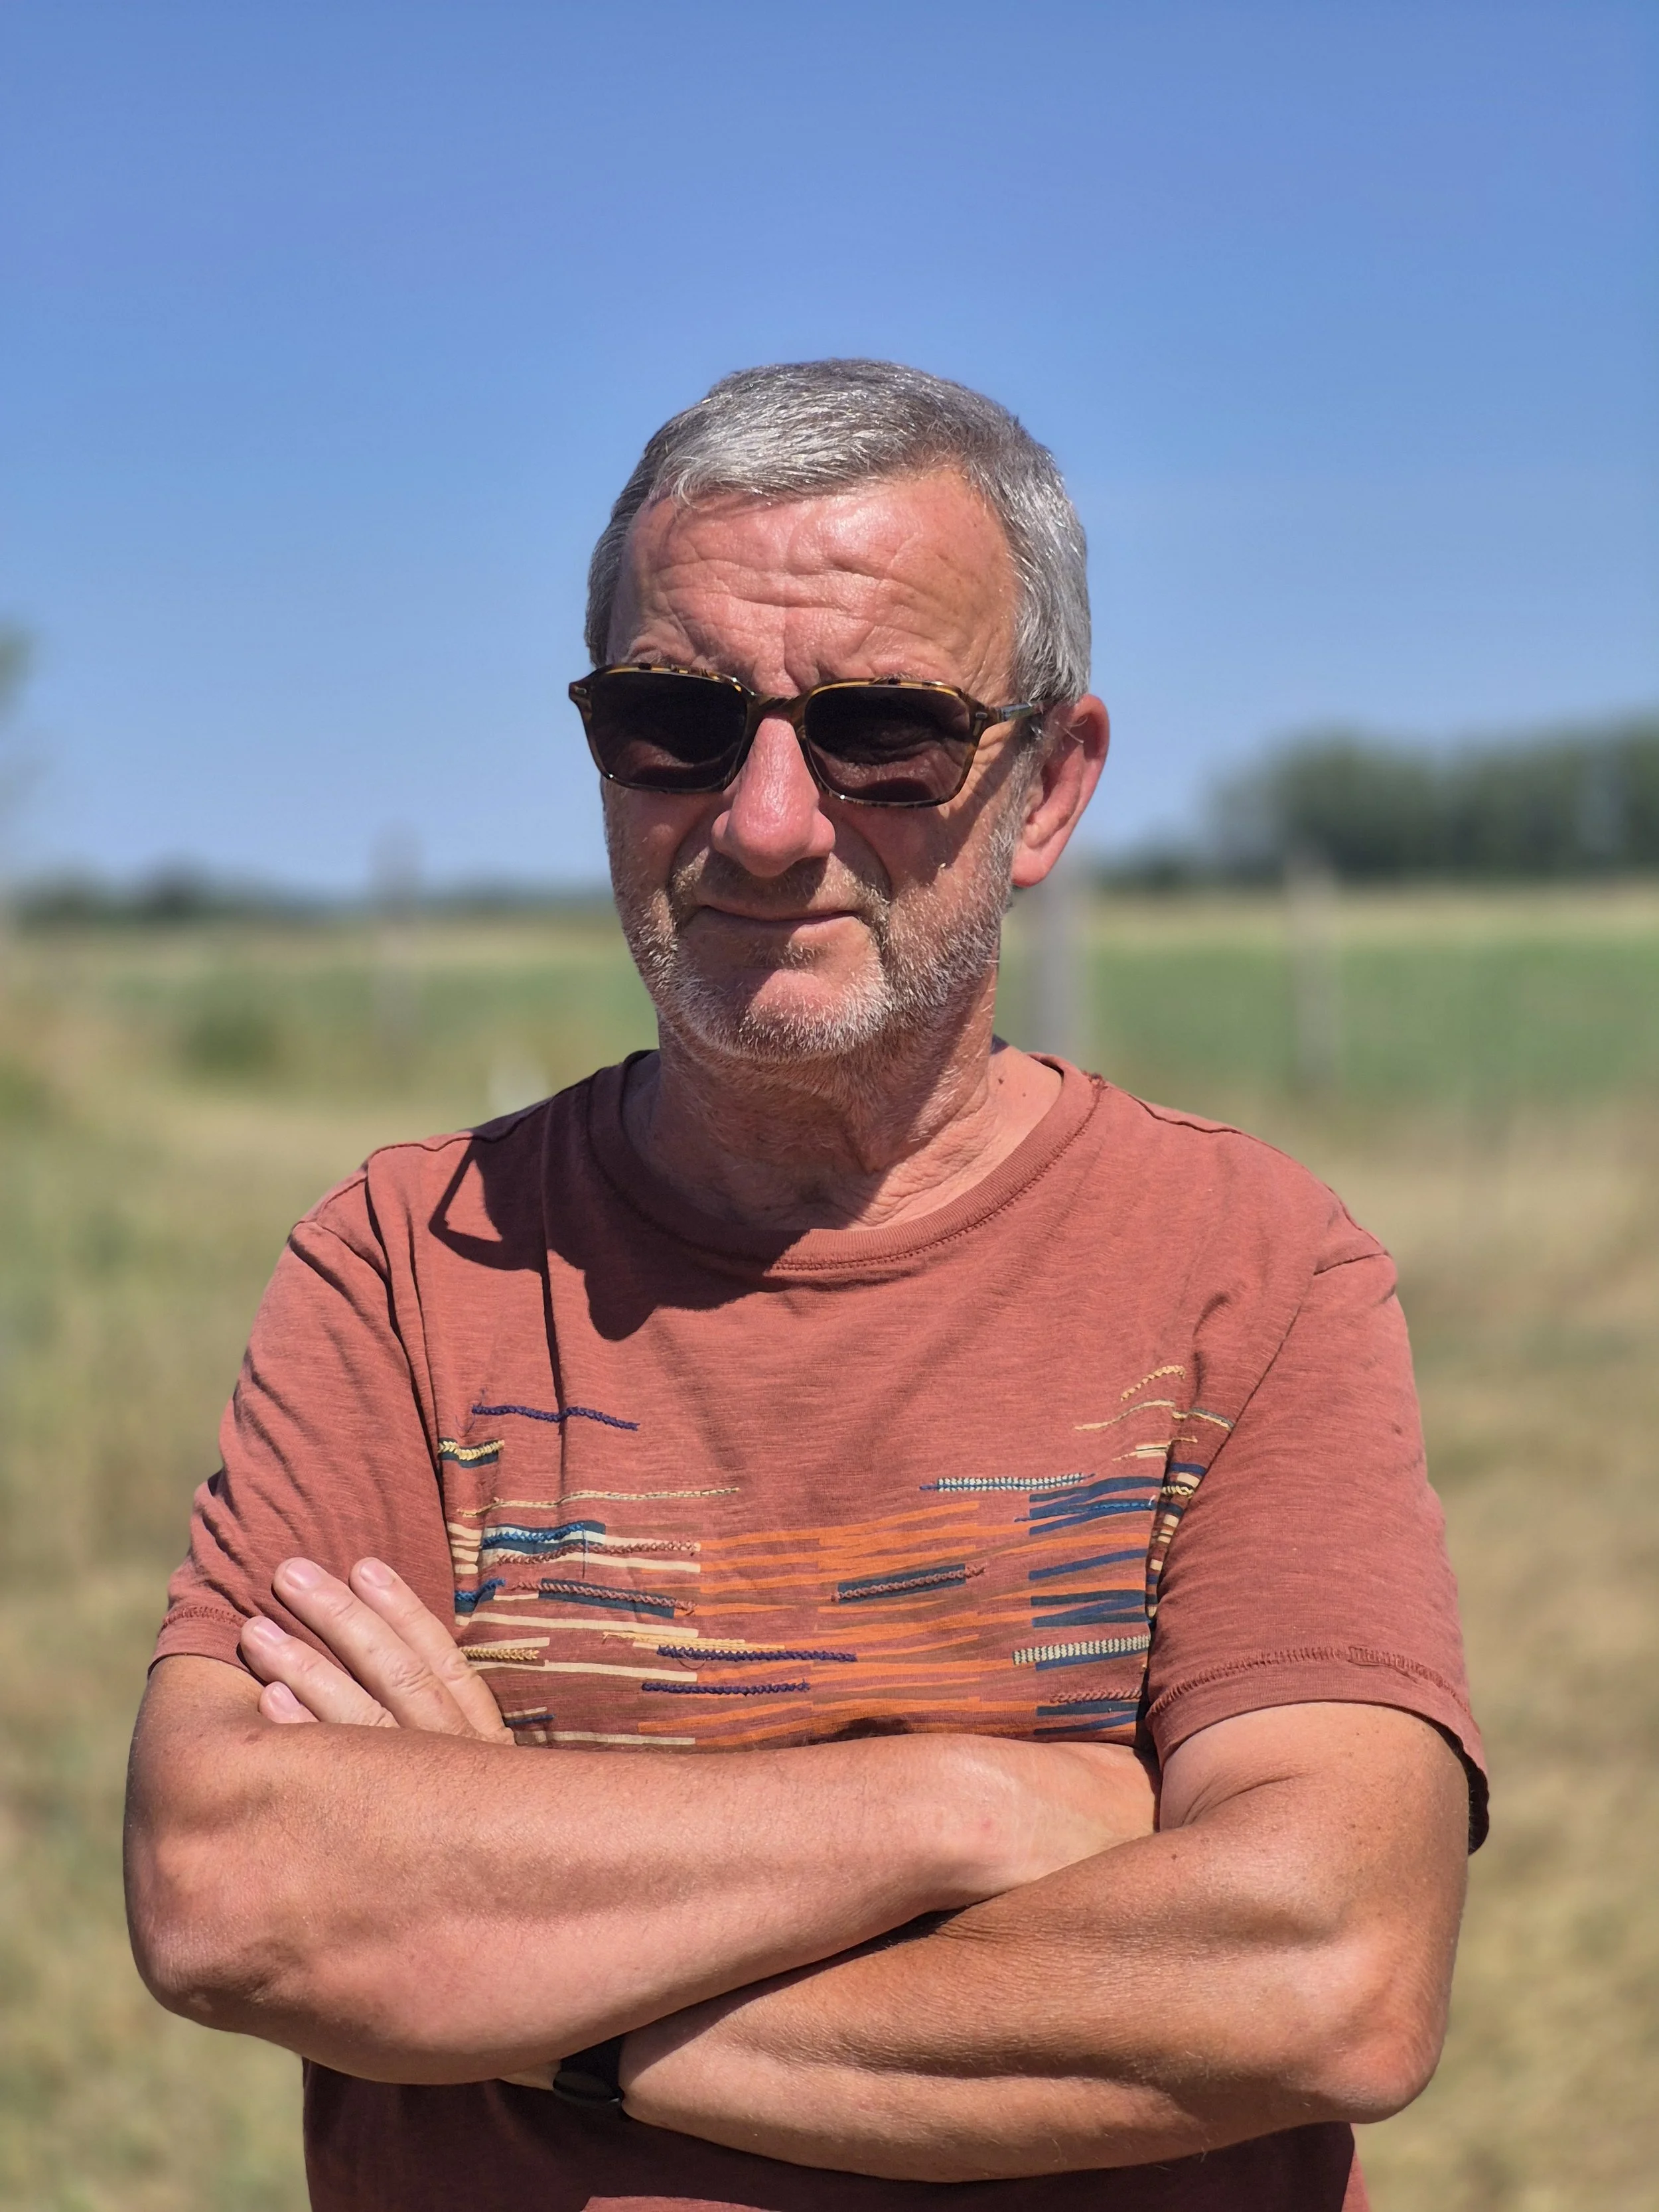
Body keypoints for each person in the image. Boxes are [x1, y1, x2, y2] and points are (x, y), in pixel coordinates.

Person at [126, 359, 1484, 2212]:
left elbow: (1322, 1976)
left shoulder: (1250, 1272)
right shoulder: (407, 1263)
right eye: (675, 720)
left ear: (1046, 788)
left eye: (881, 731)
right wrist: (970, 1807)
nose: (765, 820)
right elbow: (235, 1891)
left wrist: (537, 1995)